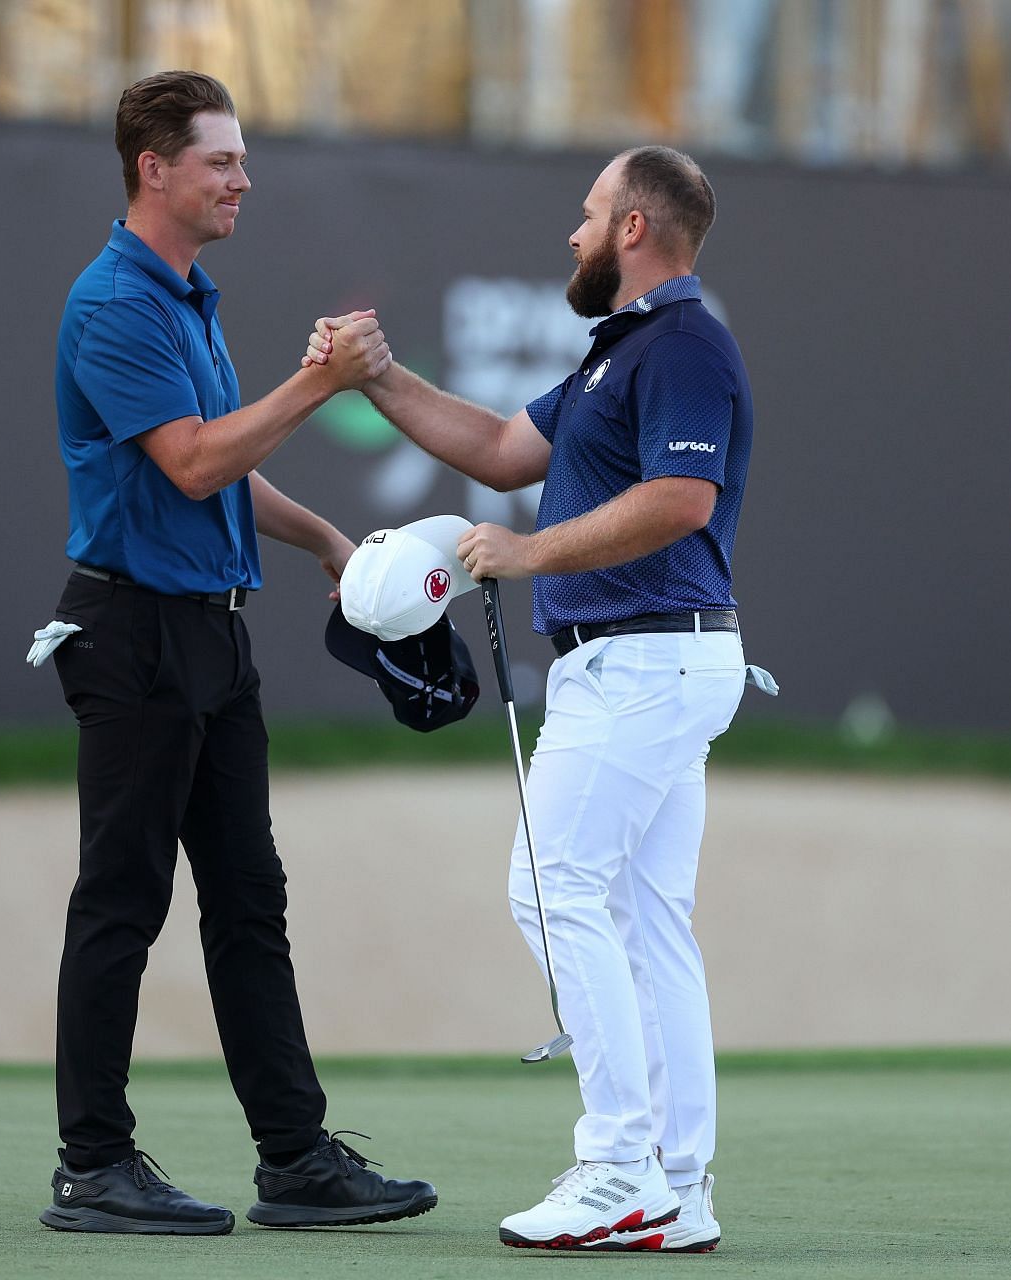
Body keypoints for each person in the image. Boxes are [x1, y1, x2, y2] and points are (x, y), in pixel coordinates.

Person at [305, 145, 754, 1253]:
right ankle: (679, 1182)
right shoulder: (622, 351)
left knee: (551, 887)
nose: (574, 231)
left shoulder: (685, 341)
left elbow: (683, 498)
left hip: (645, 658)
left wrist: (531, 553)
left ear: (636, 230)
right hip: (651, 658)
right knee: (647, 922)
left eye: (590, 212)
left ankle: (617, 1166)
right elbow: (506, 449)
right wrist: (380, 376)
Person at [36, 70, 436, 1236]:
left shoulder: (188, 296)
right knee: (123, 897)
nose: (242, 180)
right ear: (153, 168)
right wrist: (320, 380)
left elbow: (223, 460)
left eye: (241, 160)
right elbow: (194, 462)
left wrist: (319, 535)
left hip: (211, 633)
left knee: (249, 899)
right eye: (220, 161)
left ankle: (296, 1157)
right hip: (131, 633)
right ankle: (91, 1163)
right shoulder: (114, 301)